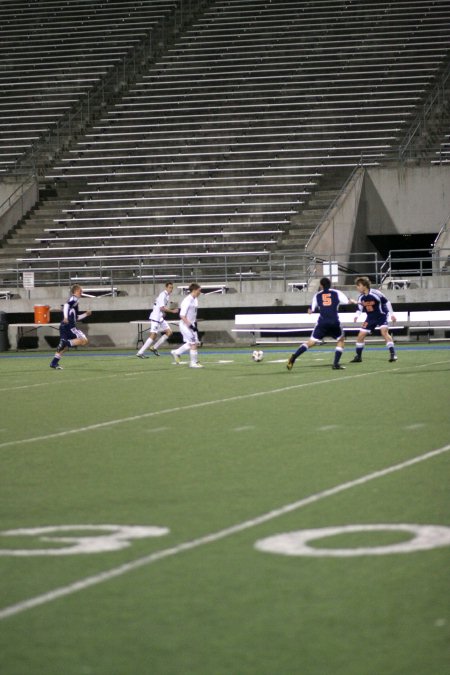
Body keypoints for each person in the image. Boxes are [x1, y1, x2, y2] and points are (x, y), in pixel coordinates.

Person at [287, 277, 350, 371]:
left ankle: (294, 357)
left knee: (311, 342)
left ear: (321, 285)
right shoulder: (337, 292)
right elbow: (347, 302)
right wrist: (351, 300)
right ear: (330, 284)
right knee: (340, 340)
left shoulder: (317, 295)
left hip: (322, 322)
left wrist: (310, 310)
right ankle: (335, 364)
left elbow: (311, 309)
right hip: (334, 321)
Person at [350, 276, 397, 363]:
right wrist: (356, 316)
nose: (357, 287)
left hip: (381, 316)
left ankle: (393, 354)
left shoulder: (376, 293)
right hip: (370, 318)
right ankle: (358, 357)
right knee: (360, 336)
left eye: (358, 285)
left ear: (364, 286)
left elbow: (387, 302)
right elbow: (359, 309)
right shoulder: (361, 297)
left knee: (384, 332)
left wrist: (392, 315)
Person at [49, 284, 91, 370]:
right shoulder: (74, 298)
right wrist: (65, 317)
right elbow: (66, 305)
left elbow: (77, 318)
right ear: (75, 291)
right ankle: (65, 342)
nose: (81, 292)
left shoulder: (75, 303)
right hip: (69, 326)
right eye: (80, 291)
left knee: (64, 347)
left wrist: (86, 314)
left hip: (63, 326)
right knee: (84, 340)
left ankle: (54, 363)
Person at [136, 282, 179, 358]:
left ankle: (154, 347)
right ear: (166, 287)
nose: (171, 289)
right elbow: (162, 308)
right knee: (153, 335)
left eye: (172, 288)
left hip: (160, 317)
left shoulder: (167, 295)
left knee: (169, 332)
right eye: (169, 287)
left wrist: (163, 313)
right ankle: (140, 352)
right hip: (156, 317)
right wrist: (172, 311)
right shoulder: (163, 295)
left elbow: (160, 307)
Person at [170, 282, 203, 368]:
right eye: (199, 290)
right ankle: (193, 363)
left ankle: (176, 352)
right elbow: (182, 315)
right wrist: (190, 325)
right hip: (185, 325)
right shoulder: (187, 300)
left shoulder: (195, 299)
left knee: (194, 343)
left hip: (191, 324)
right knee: (193, 343)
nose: (200, 292)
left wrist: (193, 325)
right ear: (194, 290)